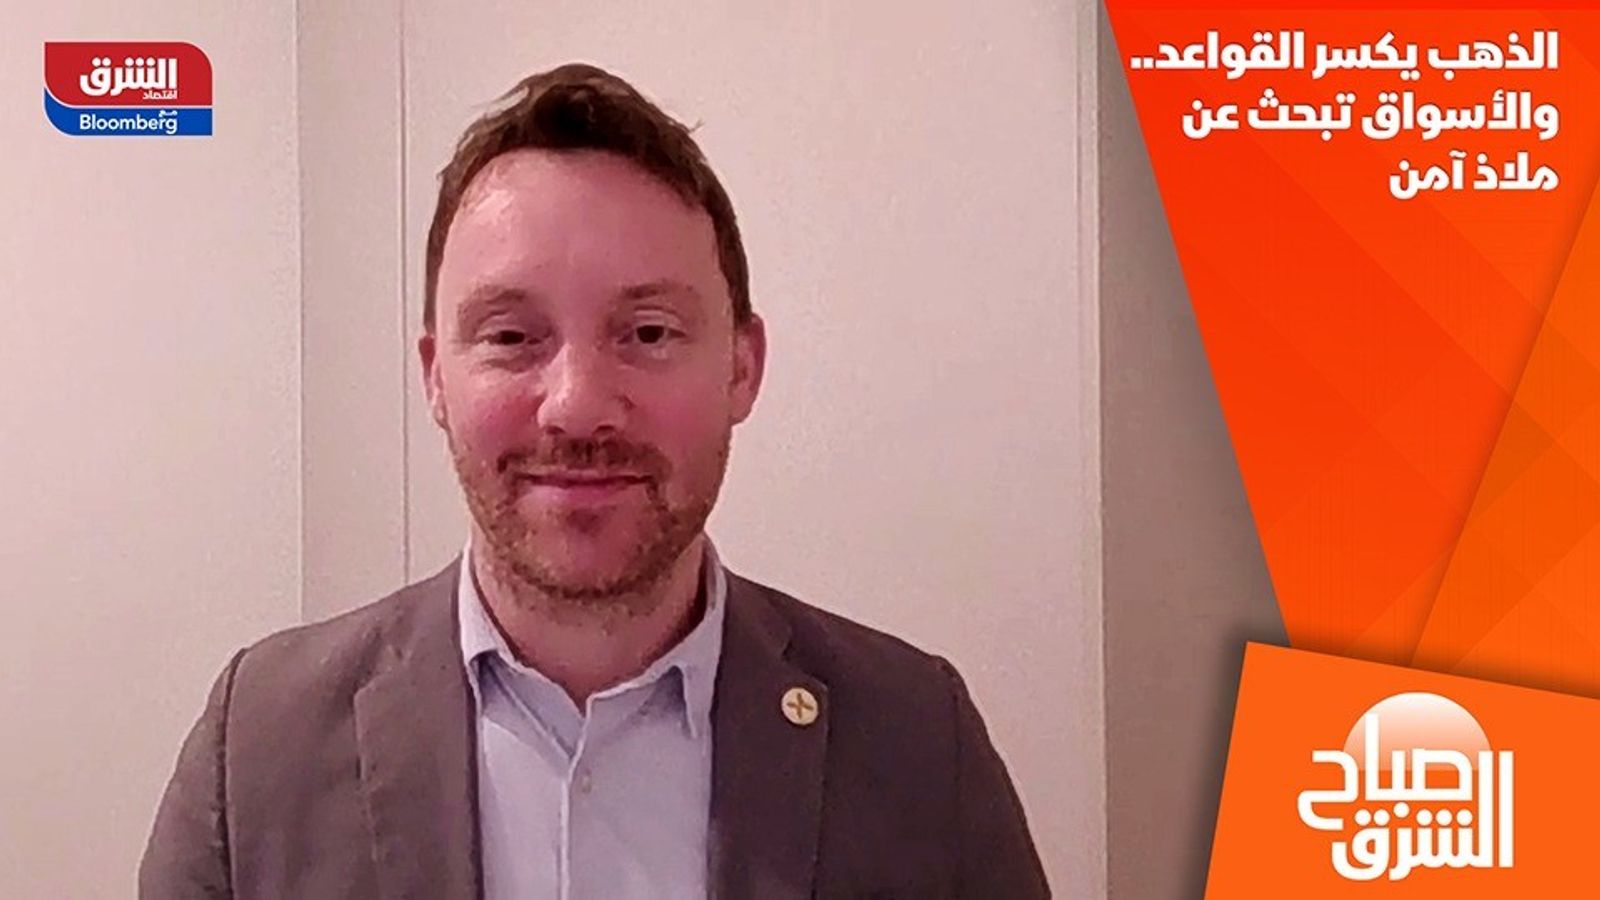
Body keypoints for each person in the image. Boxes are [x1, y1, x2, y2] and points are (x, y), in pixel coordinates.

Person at [139, 62, 1048, 899]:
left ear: (742, 369)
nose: (576, 407)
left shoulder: (918, 743)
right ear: (435, 377)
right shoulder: (256, 751)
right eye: (511, 337)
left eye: (647, 333)